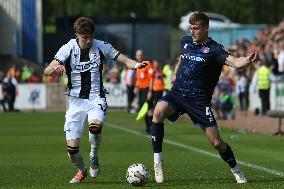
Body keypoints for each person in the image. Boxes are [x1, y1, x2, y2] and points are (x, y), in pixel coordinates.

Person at [150, 12, 259, 184]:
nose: (193, 32)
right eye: (191, 28)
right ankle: (158, 162)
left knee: (216, 143)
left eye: (196, 28)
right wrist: (175, 73)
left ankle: (236, 170)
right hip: (178, 93)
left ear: (206, 28)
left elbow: (236, 62)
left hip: (199, 101)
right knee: (158, 112)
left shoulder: (215, 49)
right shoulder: (185, 41)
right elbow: (182, 58)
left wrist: (248, 59)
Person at [43, 17, 148, 184]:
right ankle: (81, 170)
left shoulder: (101, 46)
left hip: (96, 97)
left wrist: (136, 65)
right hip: (75, 101)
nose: (89, 40)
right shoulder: (68, 48)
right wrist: (53, 68)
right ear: (77, 35)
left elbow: (124, 59)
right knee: (72, 149)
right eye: (85, 37)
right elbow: (47, 70)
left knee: (95, 128)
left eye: (91, 36)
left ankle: (94, 153)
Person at [135, 49, 154, 134]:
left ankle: (151, 127)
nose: (139, 56)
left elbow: (151, 78)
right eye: (138, 55)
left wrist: (150, 91)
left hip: (147, 89)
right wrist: (136, 87)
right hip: (141, 89)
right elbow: (139, 79)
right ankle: (148, 127)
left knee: (149, 108)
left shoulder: (148, 65)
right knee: (143, 108)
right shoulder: (138, 66)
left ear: (143, 55)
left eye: (140, 55)